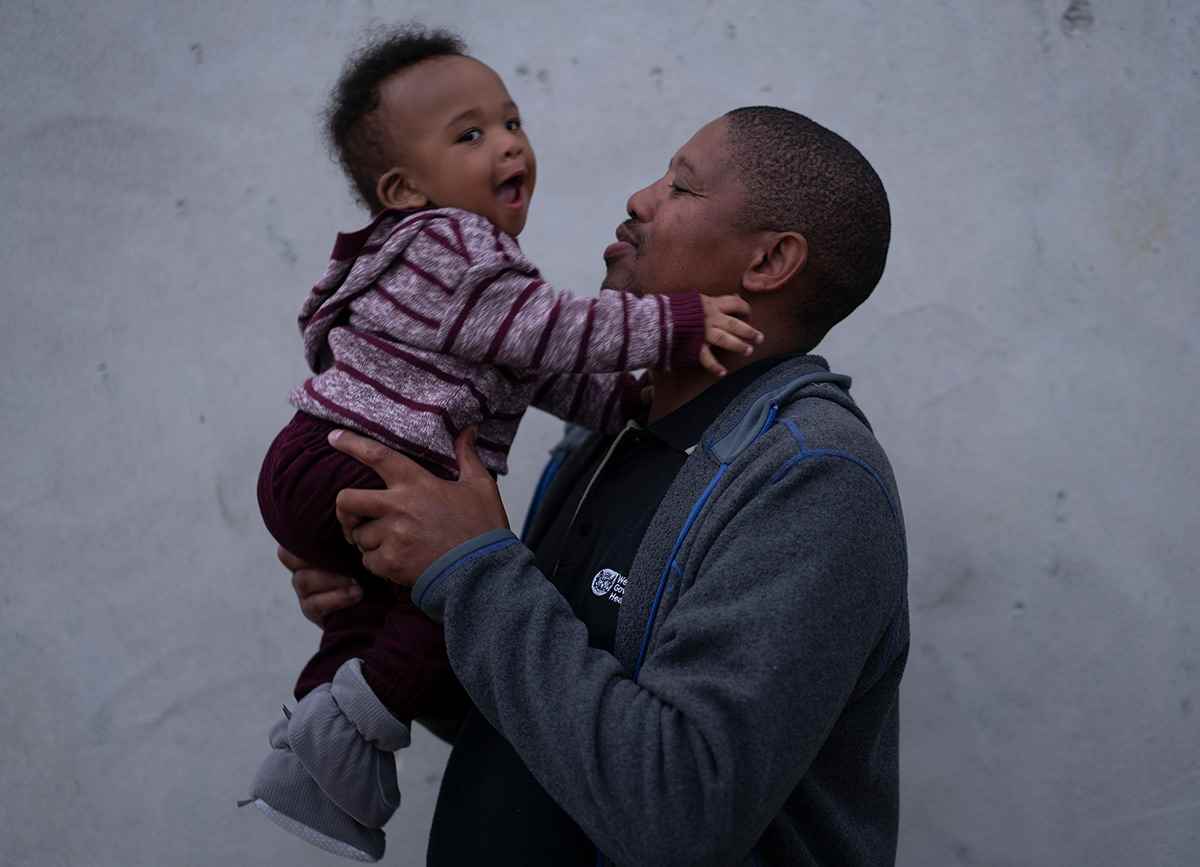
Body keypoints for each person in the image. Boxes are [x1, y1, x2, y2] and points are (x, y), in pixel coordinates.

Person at [288, 106, 909, 866]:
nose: (638, 198)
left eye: (680, 186)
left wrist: (476, 566)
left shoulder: (811, 479)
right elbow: (535, 716)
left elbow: (681, 813)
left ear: (769, 262)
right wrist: (399, 590)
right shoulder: (608, 430)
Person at [243, 25, 763, 863]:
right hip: (358, 454)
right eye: (472, 134)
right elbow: (546, 330)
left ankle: (310, 750)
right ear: (404, 188)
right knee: (437, 611)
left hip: (318, 455)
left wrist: (624, 399)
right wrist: (678, 324)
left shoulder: (448, 265)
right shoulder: (455, 243)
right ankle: (345, 736)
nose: (510, 144)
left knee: (378, 627)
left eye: (513, 121)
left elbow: (539, 372)